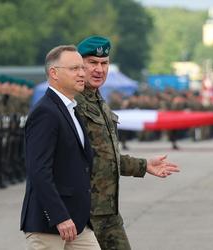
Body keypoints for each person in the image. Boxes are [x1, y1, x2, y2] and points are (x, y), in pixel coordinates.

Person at [75, 36, 180, 250]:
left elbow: (105, 157)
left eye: (104, 63)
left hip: (108, 212)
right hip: (82, 213)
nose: (99, 69)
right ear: (80, 66)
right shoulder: (73, 103)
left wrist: (144, 165)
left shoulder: (99, 103)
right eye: (92, 63)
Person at [20, 45, 101, 250]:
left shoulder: (71, 110)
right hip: (50, 224)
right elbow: (38, 170)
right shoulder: (46, 113)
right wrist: (59, 215)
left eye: (82, 68)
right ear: (54, 73)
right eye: (74, 69)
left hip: (77, 222)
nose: (82, 73)